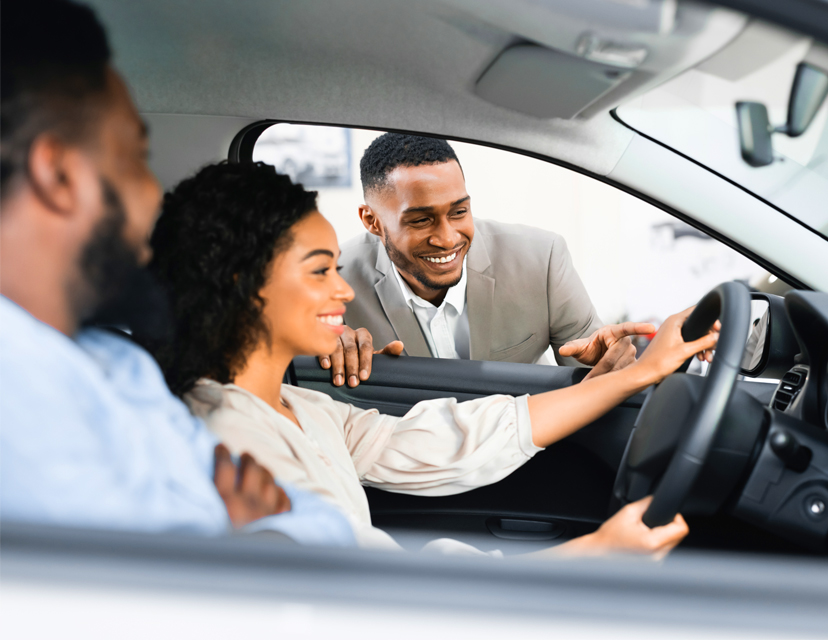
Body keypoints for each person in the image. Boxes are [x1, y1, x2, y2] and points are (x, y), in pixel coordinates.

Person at [147, 160, 716, 557]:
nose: (343, 292)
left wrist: (638, 372)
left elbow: (449, 438)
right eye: (320, 272)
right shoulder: (232, 443)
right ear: (246, 286)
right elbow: (377, 596)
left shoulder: (301, 407)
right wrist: (597, 554)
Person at [0, 0, 354, 547]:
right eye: (136, 159)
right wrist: (247, 548)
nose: (152, 196)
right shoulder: (19, 389)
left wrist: (248, 544)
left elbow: (329, 532)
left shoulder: (117, 366)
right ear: (59, 174)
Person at [320, 133, 671, 389]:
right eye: (420, 220)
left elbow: (601, 380)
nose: (448, 238)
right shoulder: (331, 283)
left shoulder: (540, 259)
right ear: (372, 221)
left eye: (459, 211)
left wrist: (611, 365)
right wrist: (323, 348)